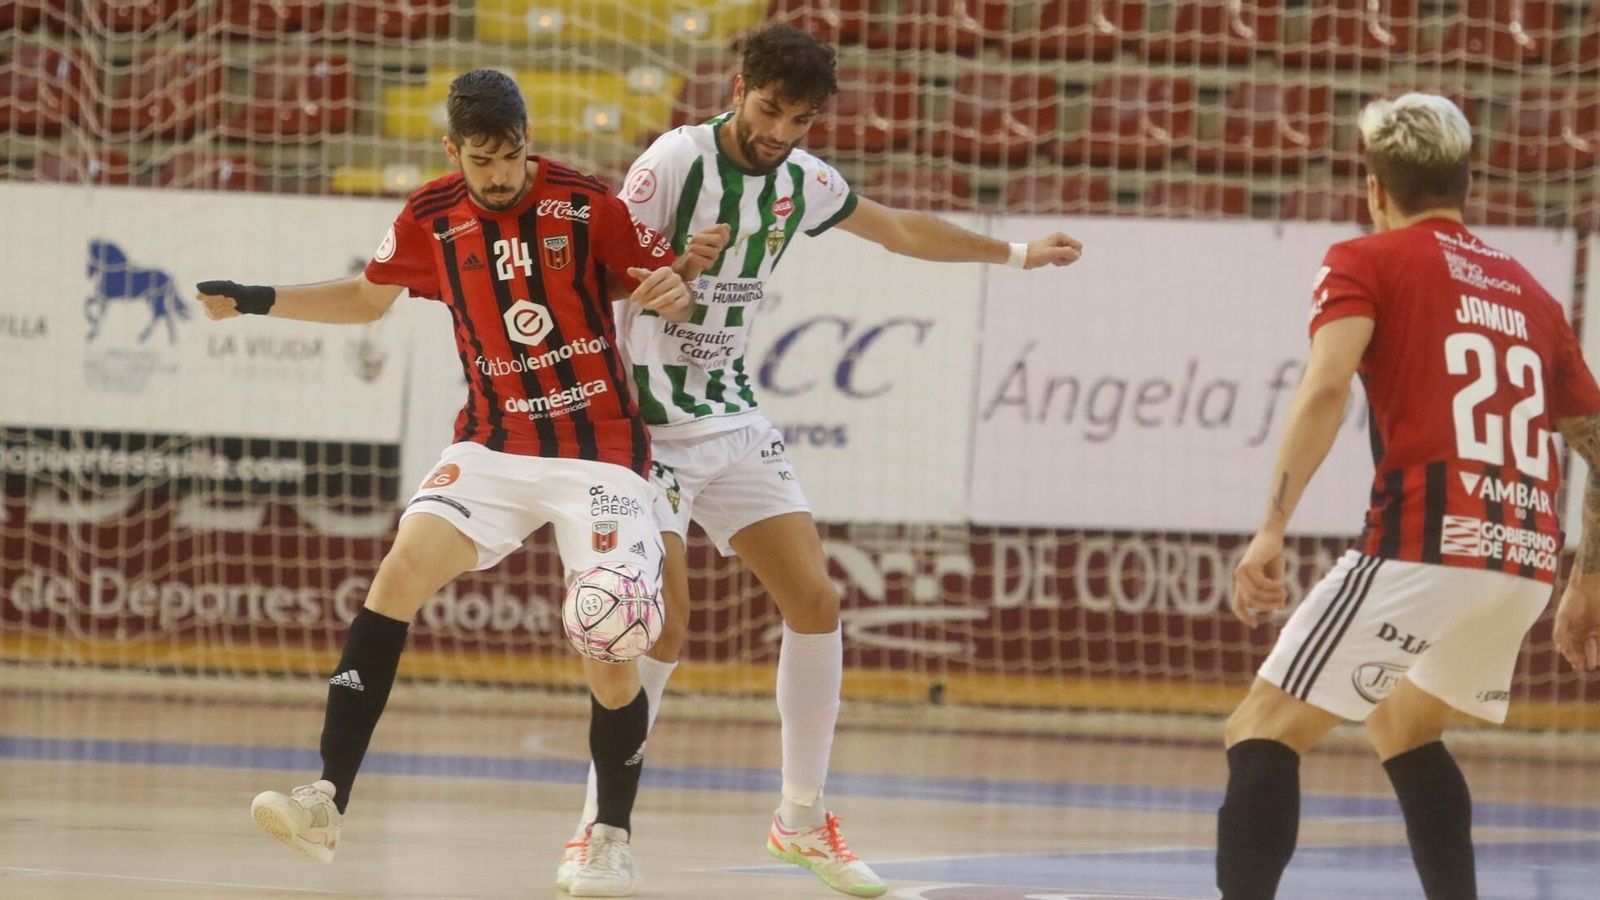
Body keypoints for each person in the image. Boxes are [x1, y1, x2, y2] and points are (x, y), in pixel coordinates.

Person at [551, 24, 1083, 898]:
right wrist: (665, 276)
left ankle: (800, 822)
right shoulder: (673, 163)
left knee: (816, 601)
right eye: (770, 111)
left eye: (800, 119)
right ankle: (598, 832)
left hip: (729, 413)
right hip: (641, 425)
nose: (782, 133)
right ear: (737, 87)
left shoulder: (803, 181)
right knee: (662, 625)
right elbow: (593, 271)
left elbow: (902, 230)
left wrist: (1017, 253)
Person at [196, 69, 724, 897]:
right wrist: (260, 298)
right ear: (453, 151)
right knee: (399, 570)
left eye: (511, 155)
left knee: (609, 637)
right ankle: (327, 800)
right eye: (483, 161)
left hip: (600, 448)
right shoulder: (430, 216)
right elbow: (367, 301)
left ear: (526, 139)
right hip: (492, 443)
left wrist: (676, 290)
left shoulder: (586, 204)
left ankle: (610, 835)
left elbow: (670, 292)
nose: (501, 174)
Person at [1220, 92, 1600, 900]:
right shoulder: (1531, 294)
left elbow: (1325, 388)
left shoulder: (1366, 258)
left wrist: (1271, 527)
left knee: (1261, 729)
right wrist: (1588, 577)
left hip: (1426, 543)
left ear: (1374, 188)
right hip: (1523, 563)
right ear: (1468, 181)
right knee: (1402, 723)